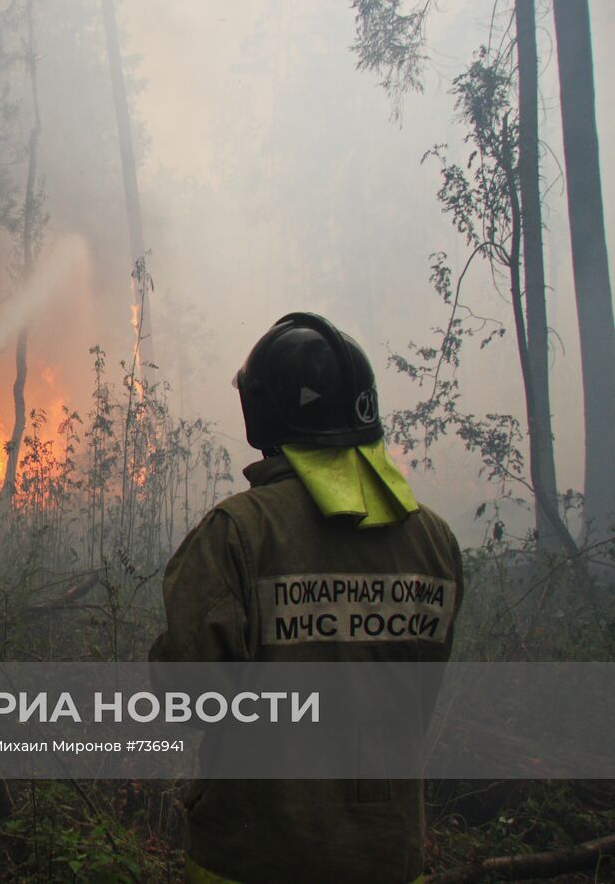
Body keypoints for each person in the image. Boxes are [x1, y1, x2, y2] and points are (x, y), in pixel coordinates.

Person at [150, 313, 463, 884]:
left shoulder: (239, 533)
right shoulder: (435, 541)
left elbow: (189, 697)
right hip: (387, 856)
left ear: (262, 414)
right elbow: (419, 694)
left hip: (256, 856)